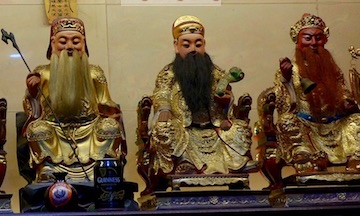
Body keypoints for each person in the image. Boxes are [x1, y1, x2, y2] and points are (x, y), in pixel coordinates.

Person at [146, 15, 255, 185]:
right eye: (186, 45)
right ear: (176, 46)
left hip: (214, 127)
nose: (193, 49)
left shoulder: (216, 72)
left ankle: (238, 163)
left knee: (240, 127)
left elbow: (227, 94)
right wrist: (164, 110)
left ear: (204, 44)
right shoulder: (168, 73)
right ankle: (184, 163)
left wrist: (226, 103)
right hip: (184, 129)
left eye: (198, 44)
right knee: (164, 129)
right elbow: (162, 93)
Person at [22, 17, 125, 183]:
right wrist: (33, 93)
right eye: (63, 42)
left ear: (83, 44)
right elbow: (32, 110)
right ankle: (47, 169)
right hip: (55, 131)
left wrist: (110, 112)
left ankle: (103, 168)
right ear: (53, 43)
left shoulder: (95, 73)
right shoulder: (42, 73)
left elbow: (105, 101)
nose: (69, 47)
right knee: (36, 130)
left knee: (111, 127)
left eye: (75, 42)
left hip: (89, 129)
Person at [271, 13, 360, 171]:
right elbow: (283, 104)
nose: (313, 43)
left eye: (318, 38)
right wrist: (287, 80)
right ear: (298, 41)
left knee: (356, 120)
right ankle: (306, 159)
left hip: (336, 123)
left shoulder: (332, 69)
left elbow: (343, 92)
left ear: (324, 40)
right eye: (308, 38)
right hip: (307, 125)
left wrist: (346, 102)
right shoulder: (291, 70)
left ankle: (355, 158)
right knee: (286, 122)